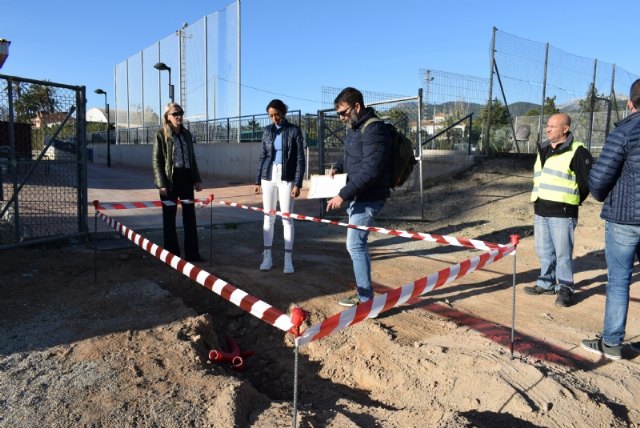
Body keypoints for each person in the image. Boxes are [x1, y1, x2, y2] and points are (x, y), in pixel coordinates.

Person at [581, 79, 640, 360]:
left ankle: (612, 342)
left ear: (630, 104)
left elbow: (600, 179)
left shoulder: (624, 132)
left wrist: (598, 190)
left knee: (618, 280)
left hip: (625, 217)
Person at [326, 87, 392, 307]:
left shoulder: (374, 130)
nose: (341, 118)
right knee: (356, 244)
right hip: (357, 195)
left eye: (344, 113)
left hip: (369, 196)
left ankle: (366, 299)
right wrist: (336, 167)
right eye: (339, 115)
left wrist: (342, 195)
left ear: (357, 106)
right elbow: (350, 158)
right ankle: (364, 294)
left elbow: (370, 170)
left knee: (355, 245)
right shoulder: (355, 128)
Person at [523, 112, 593, 307]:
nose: (548, 128)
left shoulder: (577, 151)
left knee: (563, 254)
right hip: (541, 208)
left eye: (553, 126)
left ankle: (565, 288)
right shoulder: (543, 149)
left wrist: (572, 201)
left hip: (562, 211)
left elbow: (587, 182)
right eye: (548, 125)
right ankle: (545, 282)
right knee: (544, 250)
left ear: (565, 129)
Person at [254, 99, 305, 274]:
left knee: (286, 218)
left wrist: (298, 183)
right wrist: (257, 180)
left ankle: (288, 260)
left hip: (287, 176)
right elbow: (263, 156)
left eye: (277, 114)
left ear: (283, 112)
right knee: (268, 217)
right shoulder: (267, 131)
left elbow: (300, 158)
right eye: (271, 116)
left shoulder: (294, 130)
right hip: (268, 176)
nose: (274, 118)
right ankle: (267, 257)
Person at [152, 102, 204, 262]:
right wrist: (161, 184)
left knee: (190, 217)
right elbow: (157, 160)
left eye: (180, 113)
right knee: (169, 218)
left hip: (186, 177)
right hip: (170, 180)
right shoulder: (161, 134)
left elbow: (191, 158)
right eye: (175, 114)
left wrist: (197, 179)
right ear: (167, 117)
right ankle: (172, 256)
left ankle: (192, 254)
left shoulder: (187, 134)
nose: (179, 116)